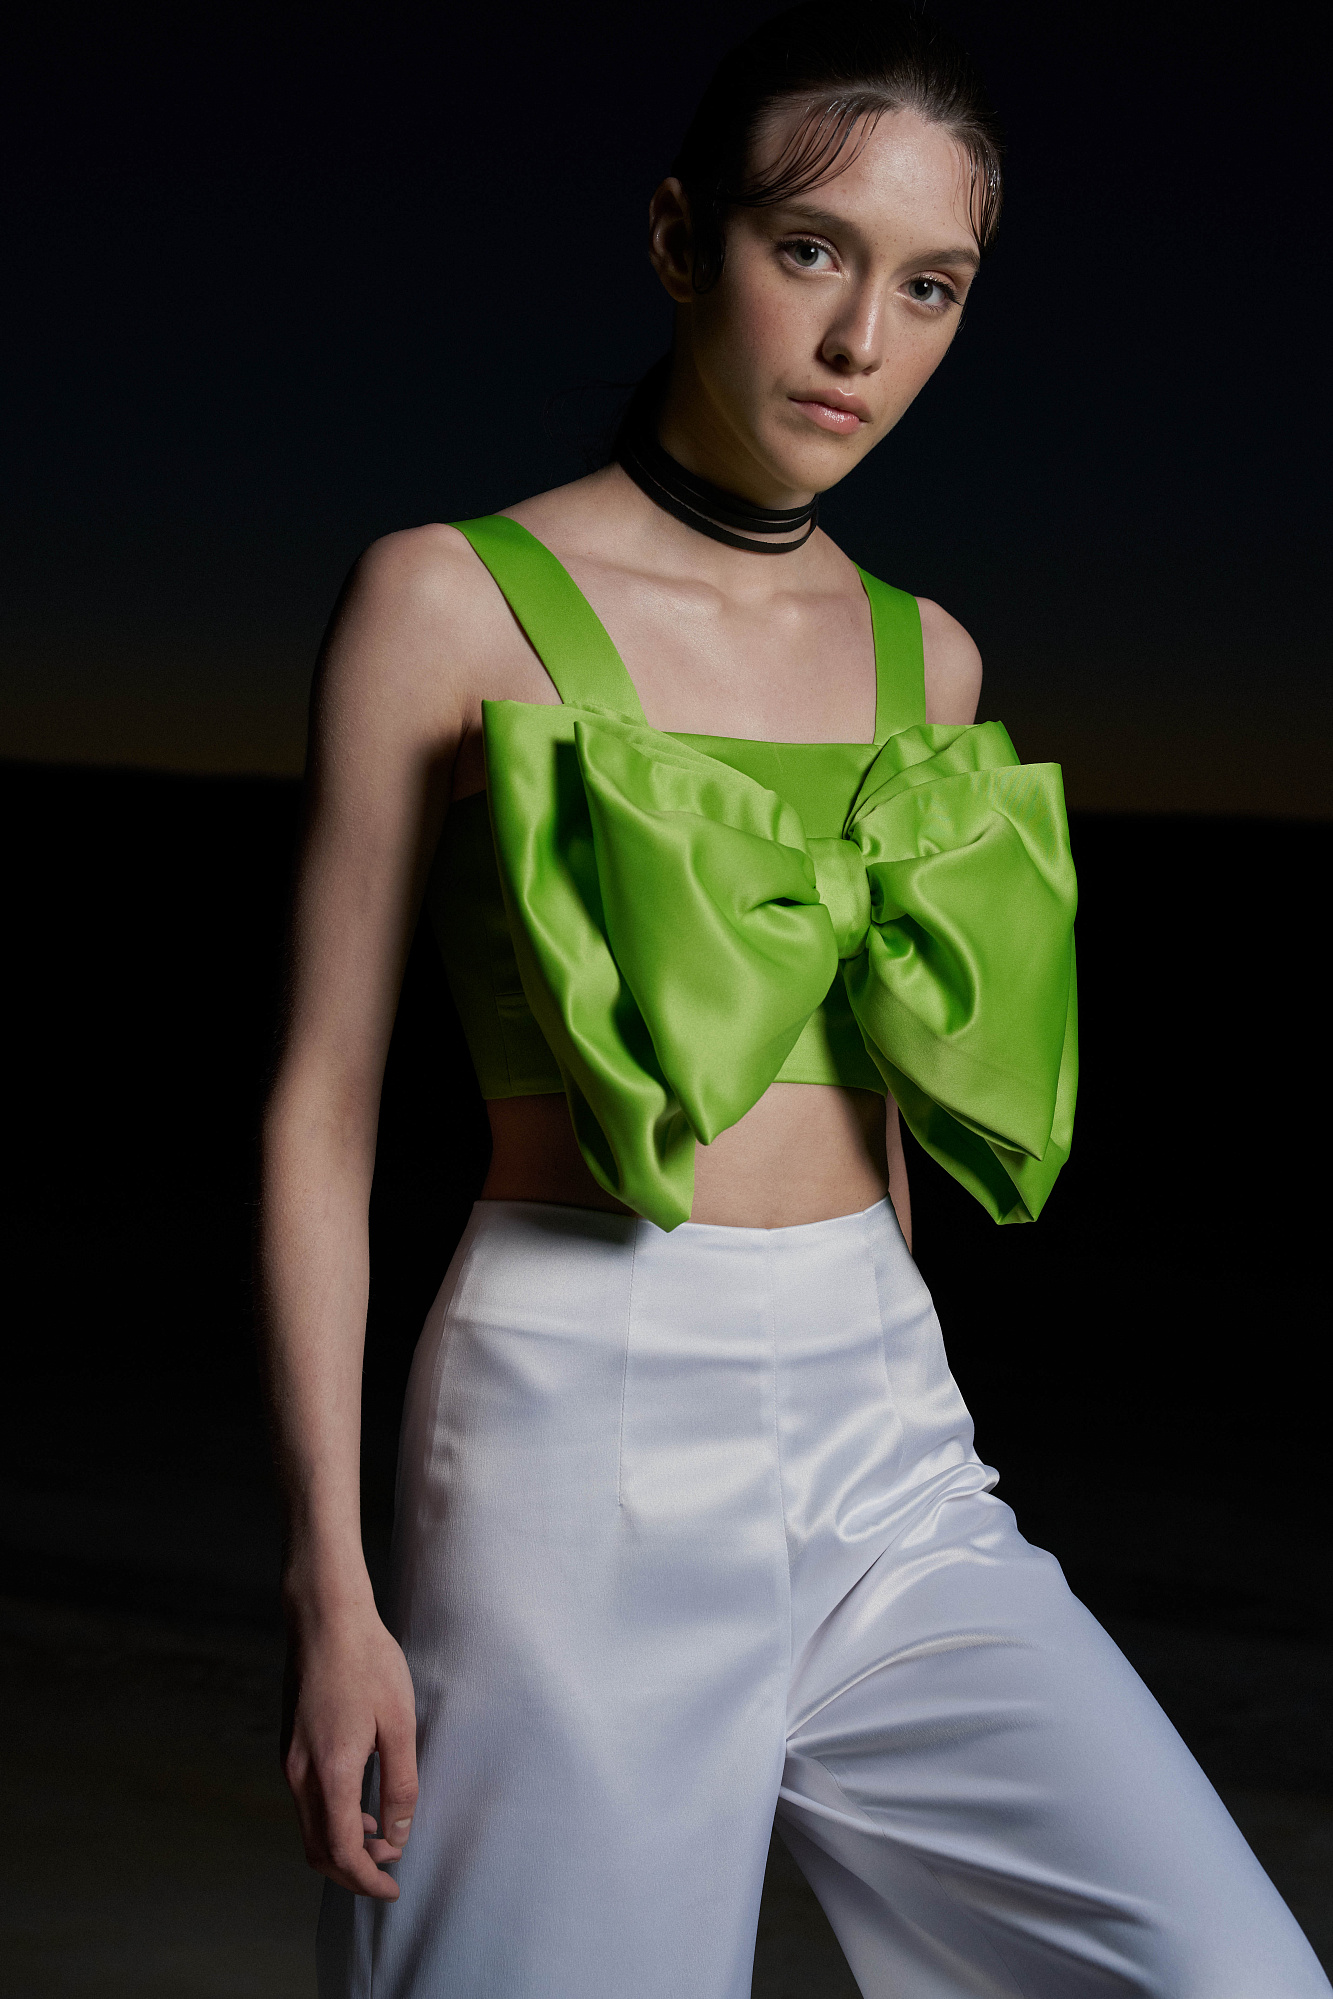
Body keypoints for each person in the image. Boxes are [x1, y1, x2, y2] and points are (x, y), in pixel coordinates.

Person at [259, 5, 1330, 1994]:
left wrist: (898, 1360)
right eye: (811, 249)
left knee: (1228, 1973)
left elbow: (882, 1090)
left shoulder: (933, 659)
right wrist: (334, 1586)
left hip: (886, 1429)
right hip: (578, 1424)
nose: (860, 342)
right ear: (683, 238)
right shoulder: (444, 600)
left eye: (930, 286)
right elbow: (320, 1110)